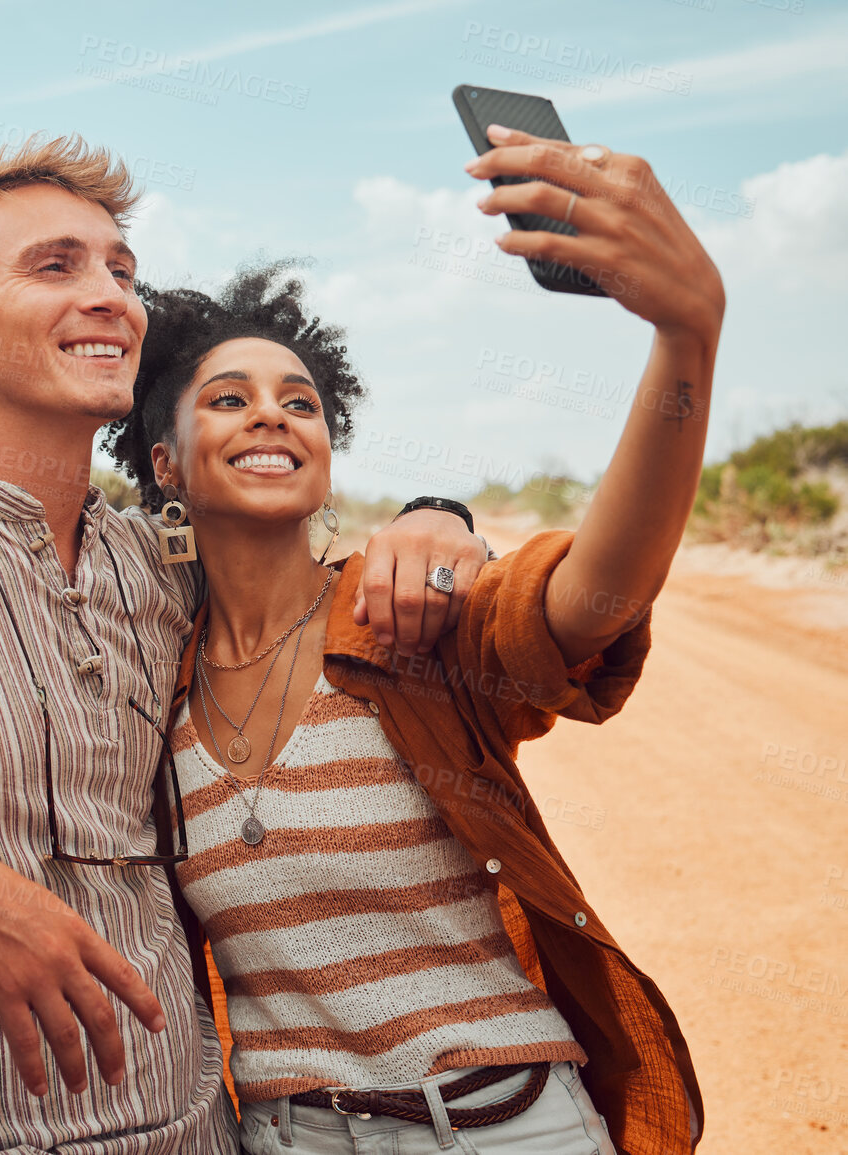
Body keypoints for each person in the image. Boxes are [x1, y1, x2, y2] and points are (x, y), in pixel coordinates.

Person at [0, 135, 489, 1154]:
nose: (114, 296)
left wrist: (440, 517)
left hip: (206, 1132)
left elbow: (305, 557)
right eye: (56, 265)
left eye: (122, 269)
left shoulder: (161, 569)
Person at [105, 125, 719, 1154]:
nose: (273, 416)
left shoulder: (409, 621)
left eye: (300, 402)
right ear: (166, 464)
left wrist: (686, 337)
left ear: (326, 458)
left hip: (510, 1127)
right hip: (287, 1137)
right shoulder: (149, 677)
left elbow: (596, 597)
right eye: (229, 400)